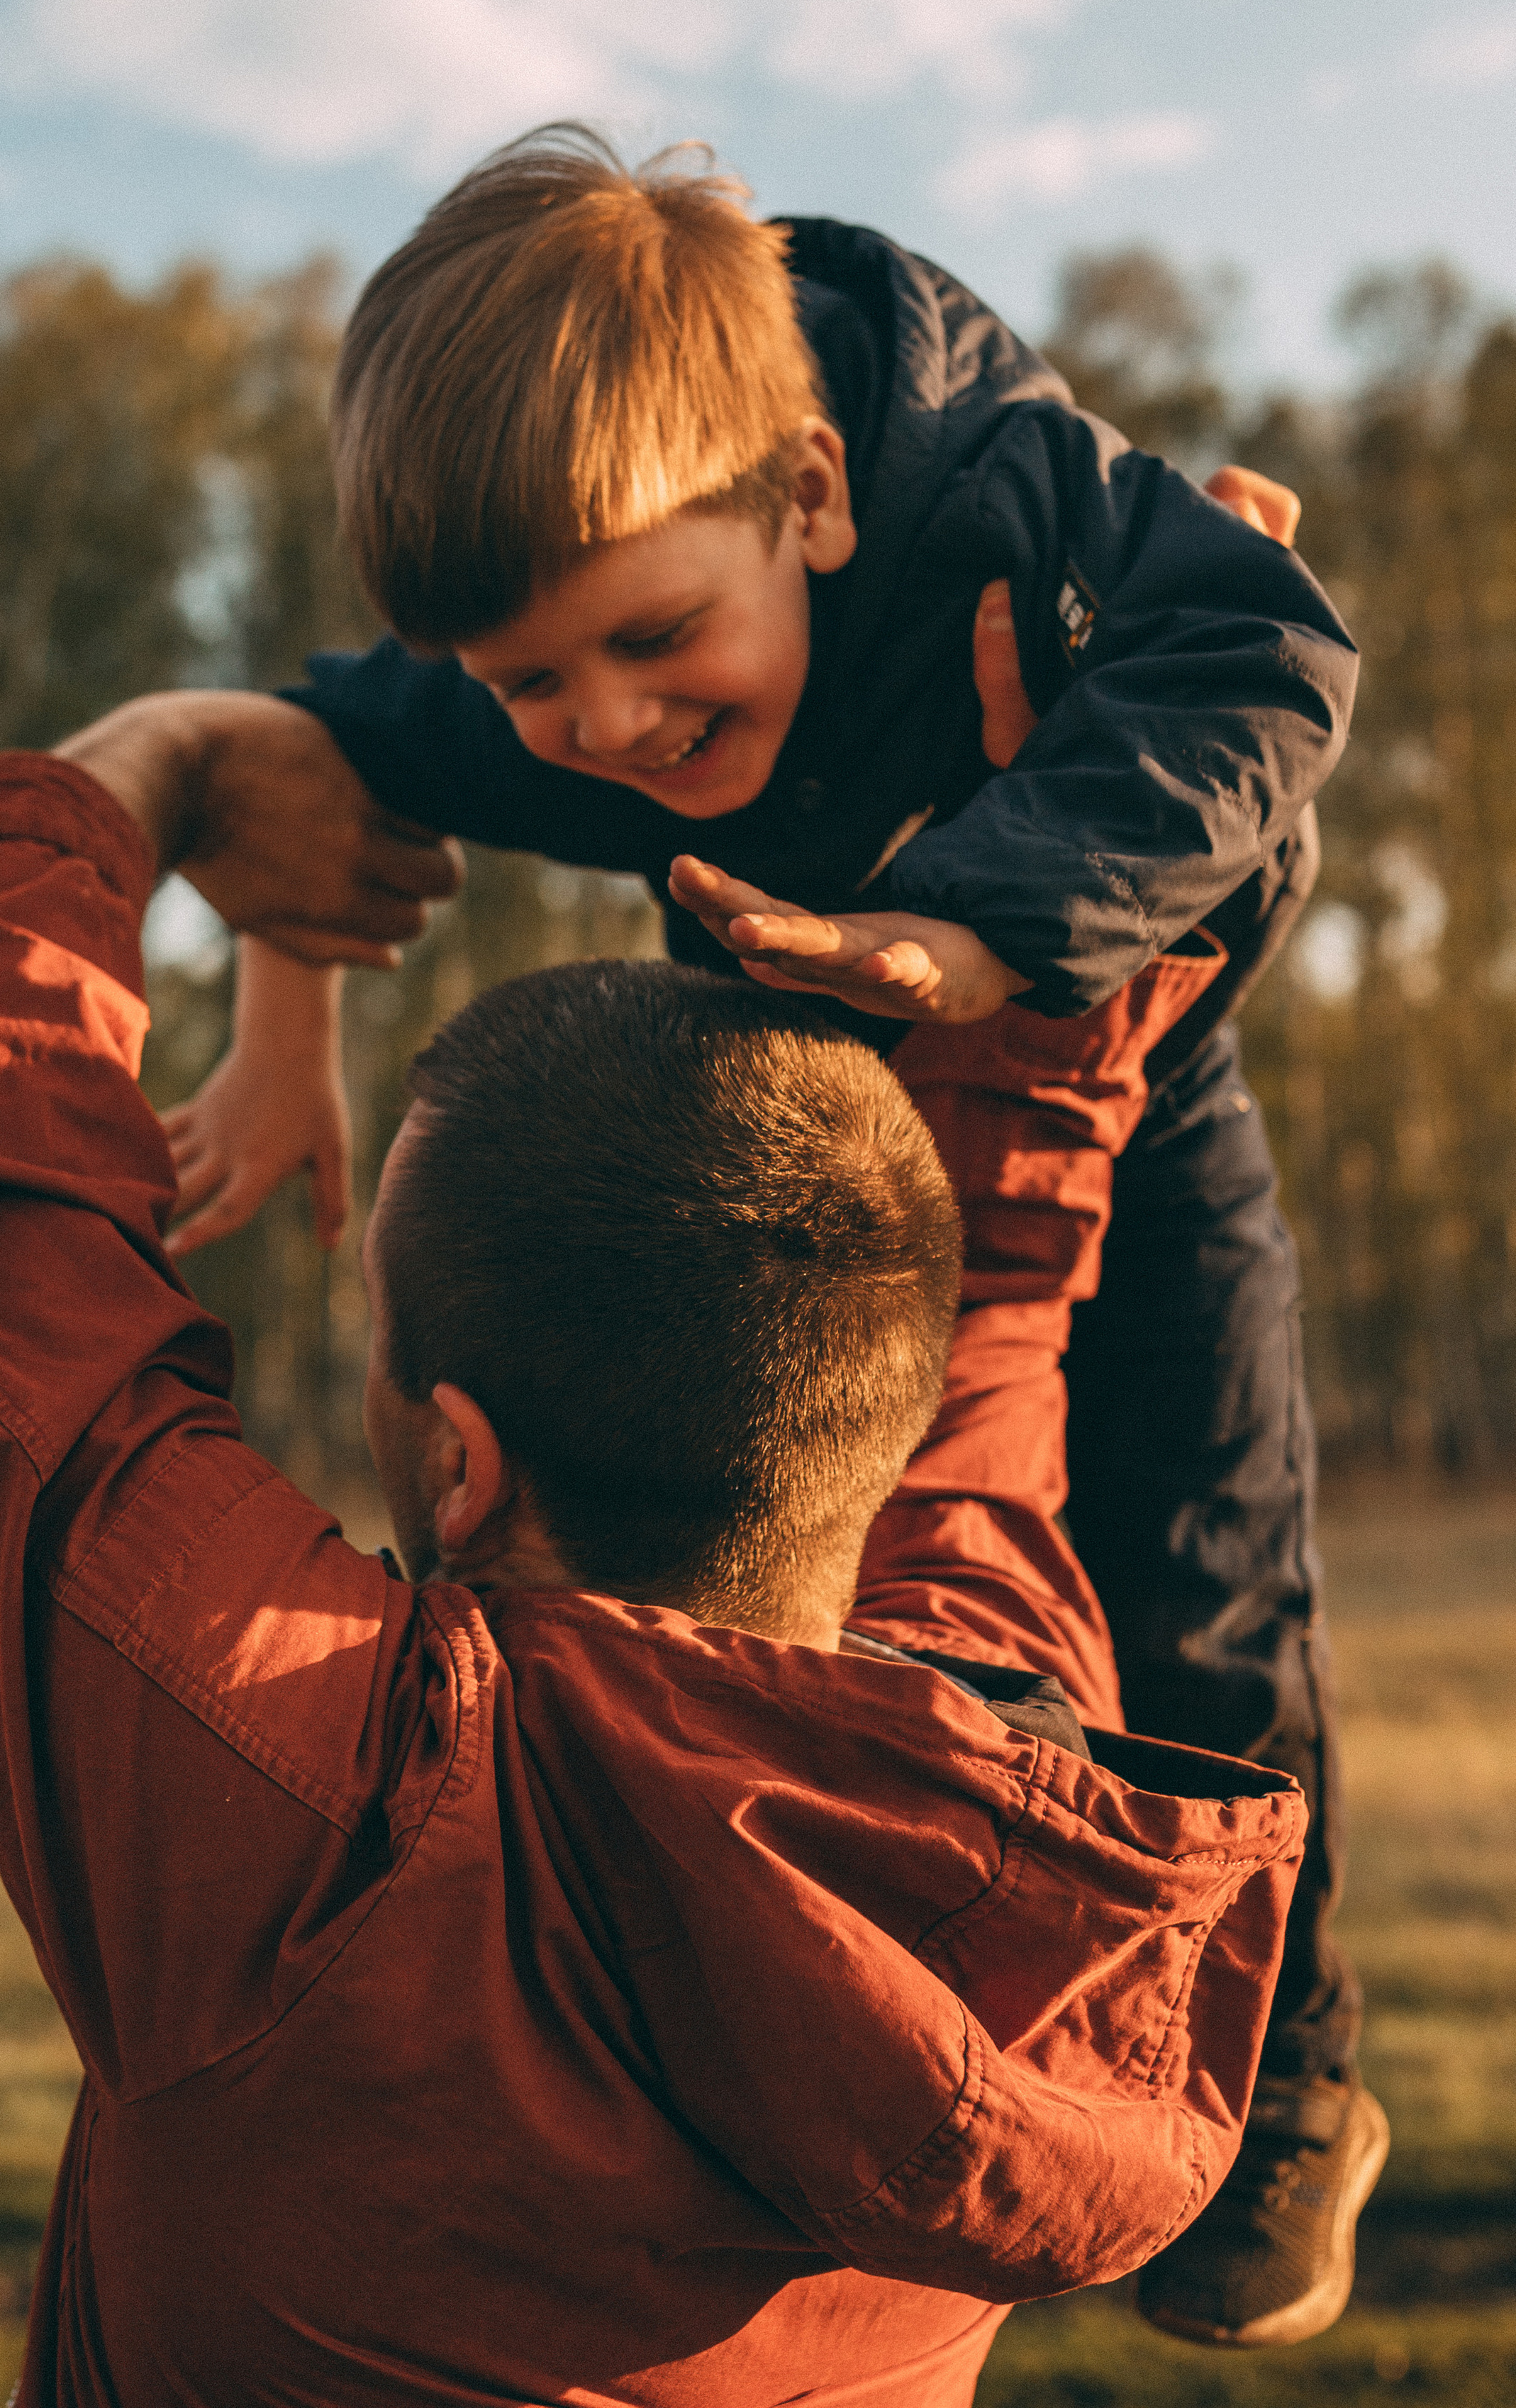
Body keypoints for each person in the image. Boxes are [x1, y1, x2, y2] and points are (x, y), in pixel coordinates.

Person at [155, 128, 1372, 2344]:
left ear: (807, 499)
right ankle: (833, 2003)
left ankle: (1280, 2100)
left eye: (651, 643)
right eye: (535, 691)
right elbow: (321, 760)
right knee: (791, 1578)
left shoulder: (1001, 505)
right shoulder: (581, 640)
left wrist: (981, 935)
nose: (605, 729)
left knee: (1196, 1545)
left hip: (1123, 1043)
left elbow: (1274, 665)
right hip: (812, 1107)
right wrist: (280, 1036)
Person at [0, 696, 1318, 2408]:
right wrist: (1088, 814)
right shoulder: (1016, 1777)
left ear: (460, 1462)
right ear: (864, 1422)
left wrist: (141, 768)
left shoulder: (302, 1826)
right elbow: (1003, 1295)